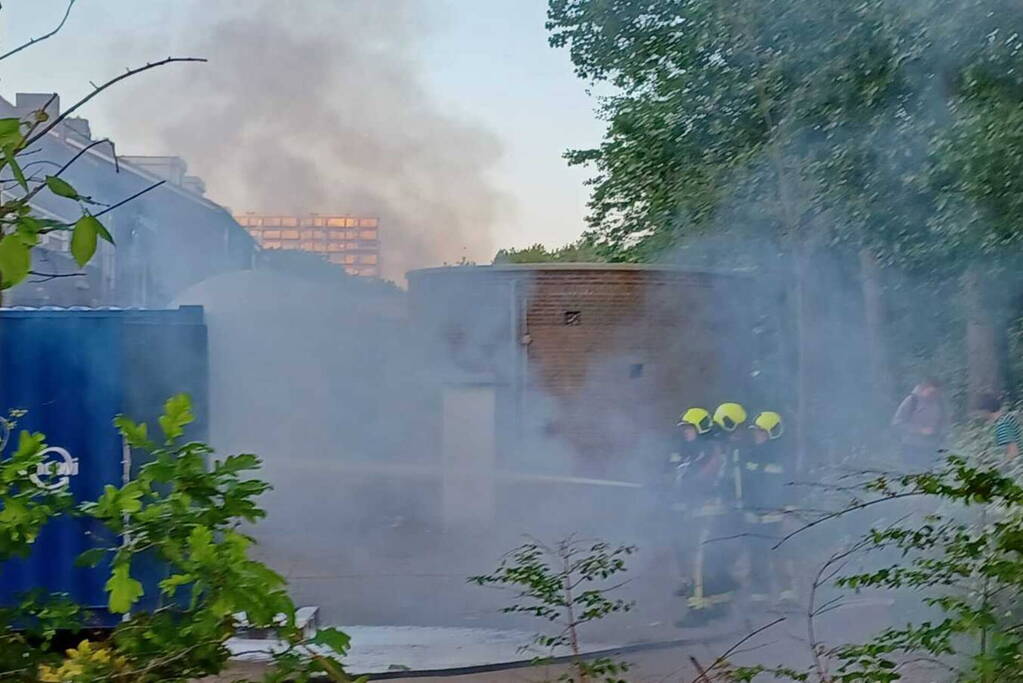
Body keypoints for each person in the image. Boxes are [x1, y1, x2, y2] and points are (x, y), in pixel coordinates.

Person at [677, 402, 746, 627]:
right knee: (715, 560)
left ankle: (698, 608)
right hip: (719, 511)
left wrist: (682, 486)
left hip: (710, 511)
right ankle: (719, 603)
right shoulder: (722, 447)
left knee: (700, 559)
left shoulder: (712, 448)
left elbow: (703, 477)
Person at [739, 411, 795, 605]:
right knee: (755, 554)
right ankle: (759, 594)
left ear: (773, 433)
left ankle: (787, 594)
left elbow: (790, 485)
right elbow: (746, 483)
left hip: (776, 514)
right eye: (756, 433)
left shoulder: (782, 457)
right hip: (753, 513)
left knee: (779, 554)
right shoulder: (750, 455)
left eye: (761, 432)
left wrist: (788, 511)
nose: (757, 436)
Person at [666, 408, 716, 597]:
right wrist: (661, 484)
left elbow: (705, 476)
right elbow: (668, 471)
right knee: (679, 543)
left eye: (690, 428)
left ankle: (700, 583)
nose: (685, 431)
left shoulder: (709, 450)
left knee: (698, 545)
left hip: (700, 506)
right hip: (679, 505)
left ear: (701, 428)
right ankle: (686, 580)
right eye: (684, 428)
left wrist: (688, 488)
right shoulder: (679, 448)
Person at [891, 378, 947, 469]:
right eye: (931, 393)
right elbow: (896, 423)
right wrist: (920, 430)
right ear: (923, 389)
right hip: (911, 447)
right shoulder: (911, 401)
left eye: (937, 394)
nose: (934, 396)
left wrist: (940, 434)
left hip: (932, 448)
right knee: (911, 474)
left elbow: (943, 423)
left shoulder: (939, 403)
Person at [976, 393, 1021, 461]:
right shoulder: (1007, 418)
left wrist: (1001, 465)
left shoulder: (1003, 424)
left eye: (980, 412)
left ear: (986, 410)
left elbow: (1013, 452)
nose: (980, 415)